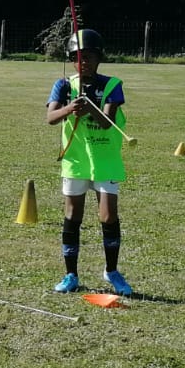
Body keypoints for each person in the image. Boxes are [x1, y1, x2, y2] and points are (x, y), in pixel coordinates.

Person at [46, 28, 133, 296]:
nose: (83, 62)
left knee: (108, 216)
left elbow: (106, 122)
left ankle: (112, 271)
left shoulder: (112, 85)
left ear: (99, 58)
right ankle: (70, 274)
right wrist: (70, 107)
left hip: (105, 161)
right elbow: (51, 118)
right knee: (72, 216)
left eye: (89, 57)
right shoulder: (63, 85)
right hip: (76, 161)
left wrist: (89, 107)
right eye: (78, 57)